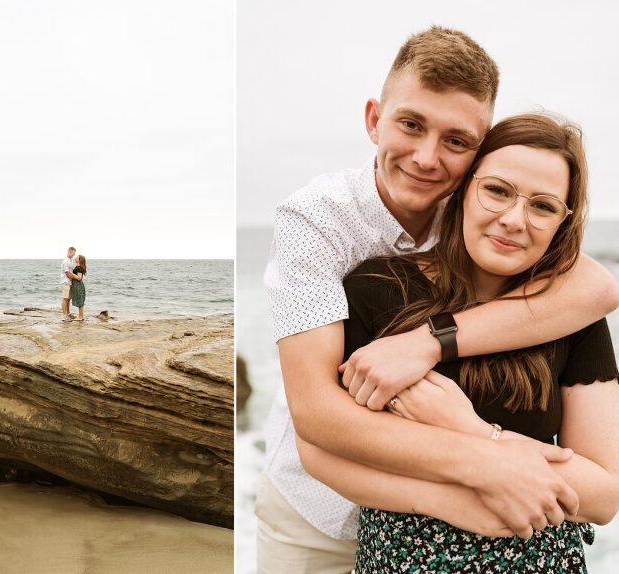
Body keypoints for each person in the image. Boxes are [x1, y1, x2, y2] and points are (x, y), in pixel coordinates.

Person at [259, 26, 619, 573]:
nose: (428, 159)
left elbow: (600, 289)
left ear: (477, 155)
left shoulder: (488, 207)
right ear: (374, 120)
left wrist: (430, 343)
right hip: (320, 511)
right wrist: (485, 464)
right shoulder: (318, 223)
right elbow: (317, 416)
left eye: (455, 141)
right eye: (411, 124)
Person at [60, 246, 77, 322]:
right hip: (65, 282)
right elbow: (67, 274)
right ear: (69, 252)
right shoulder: (65, 261)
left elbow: (73, 270)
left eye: (74, 253)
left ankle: (68, 313)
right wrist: (76, 278)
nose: (74, 255)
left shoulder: (71, 260)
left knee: (68, 299)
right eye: (73, 253)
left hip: (70, 282)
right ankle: (64, 316)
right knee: (65, 298)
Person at [70, 255, 87, 322]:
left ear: (80, 260)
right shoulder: (77, 266)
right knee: (80, 301)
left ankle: (80, 317)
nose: (75, 258)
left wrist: (71, 273)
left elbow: (79, 278)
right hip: (76, 285)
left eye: (77, 257)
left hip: (78, 285)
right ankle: (81, 316)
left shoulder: (79, 267)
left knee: (80, 301)